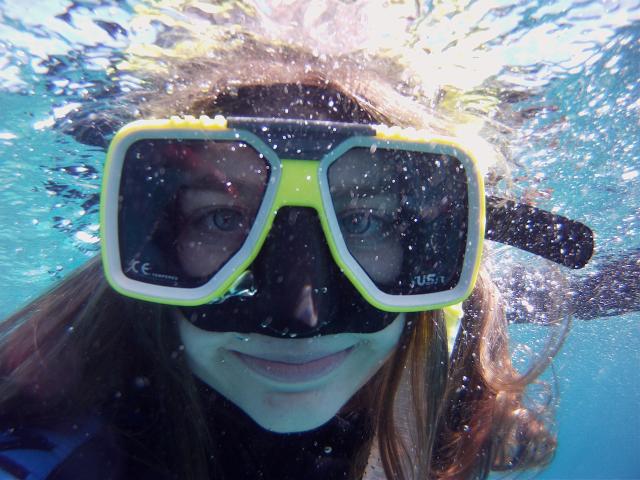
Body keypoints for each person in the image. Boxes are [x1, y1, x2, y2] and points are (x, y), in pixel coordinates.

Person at [0, 21, 599, 480]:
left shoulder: (451, 331)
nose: (300, 318)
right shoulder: (56, 425)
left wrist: (489, 413)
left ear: (426, 247)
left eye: (364, 219)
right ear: (155, 240)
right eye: (223, 216)